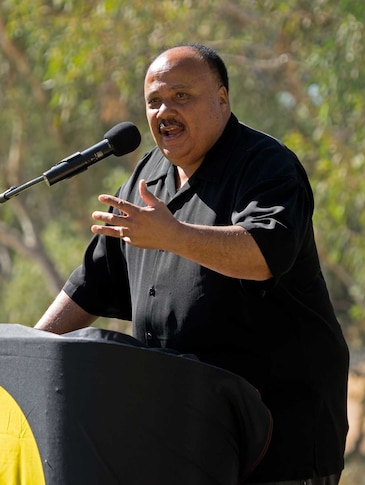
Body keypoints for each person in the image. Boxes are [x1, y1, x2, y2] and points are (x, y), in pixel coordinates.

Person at [35, 43, 349, 484]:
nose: (165, 110)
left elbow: (264, 254)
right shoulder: (148, 177)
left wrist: (173, 236)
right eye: (154, 101)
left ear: (222, 99)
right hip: (179, 441)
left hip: (276, 441)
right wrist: (28, 351)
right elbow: (93, 283)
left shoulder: (266, 165)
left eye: (181, 96)